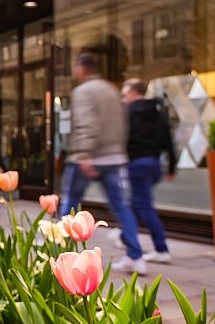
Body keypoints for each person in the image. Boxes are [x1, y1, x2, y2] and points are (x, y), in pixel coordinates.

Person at [58, 52, 145, 274]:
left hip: (89, 157)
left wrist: (86, 154)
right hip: (114, 158)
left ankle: (58, 246)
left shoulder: (83, 92)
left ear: (81, 68)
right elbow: (122, 125)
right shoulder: (112, 90)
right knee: (121, 206)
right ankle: (136, 257)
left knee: (70, 200)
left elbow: (88, 124)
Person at [121, 78, 176, 263]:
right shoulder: (156, 112)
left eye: (125, 94)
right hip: (154, 164)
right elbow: (168, 140)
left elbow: (122, 139)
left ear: (134, 93)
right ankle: (123, 236)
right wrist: (171, 166)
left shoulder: (129, 113)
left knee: (142, 205)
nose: (123, 98)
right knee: (137, 202)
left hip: (137, 164)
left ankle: (161, 249)